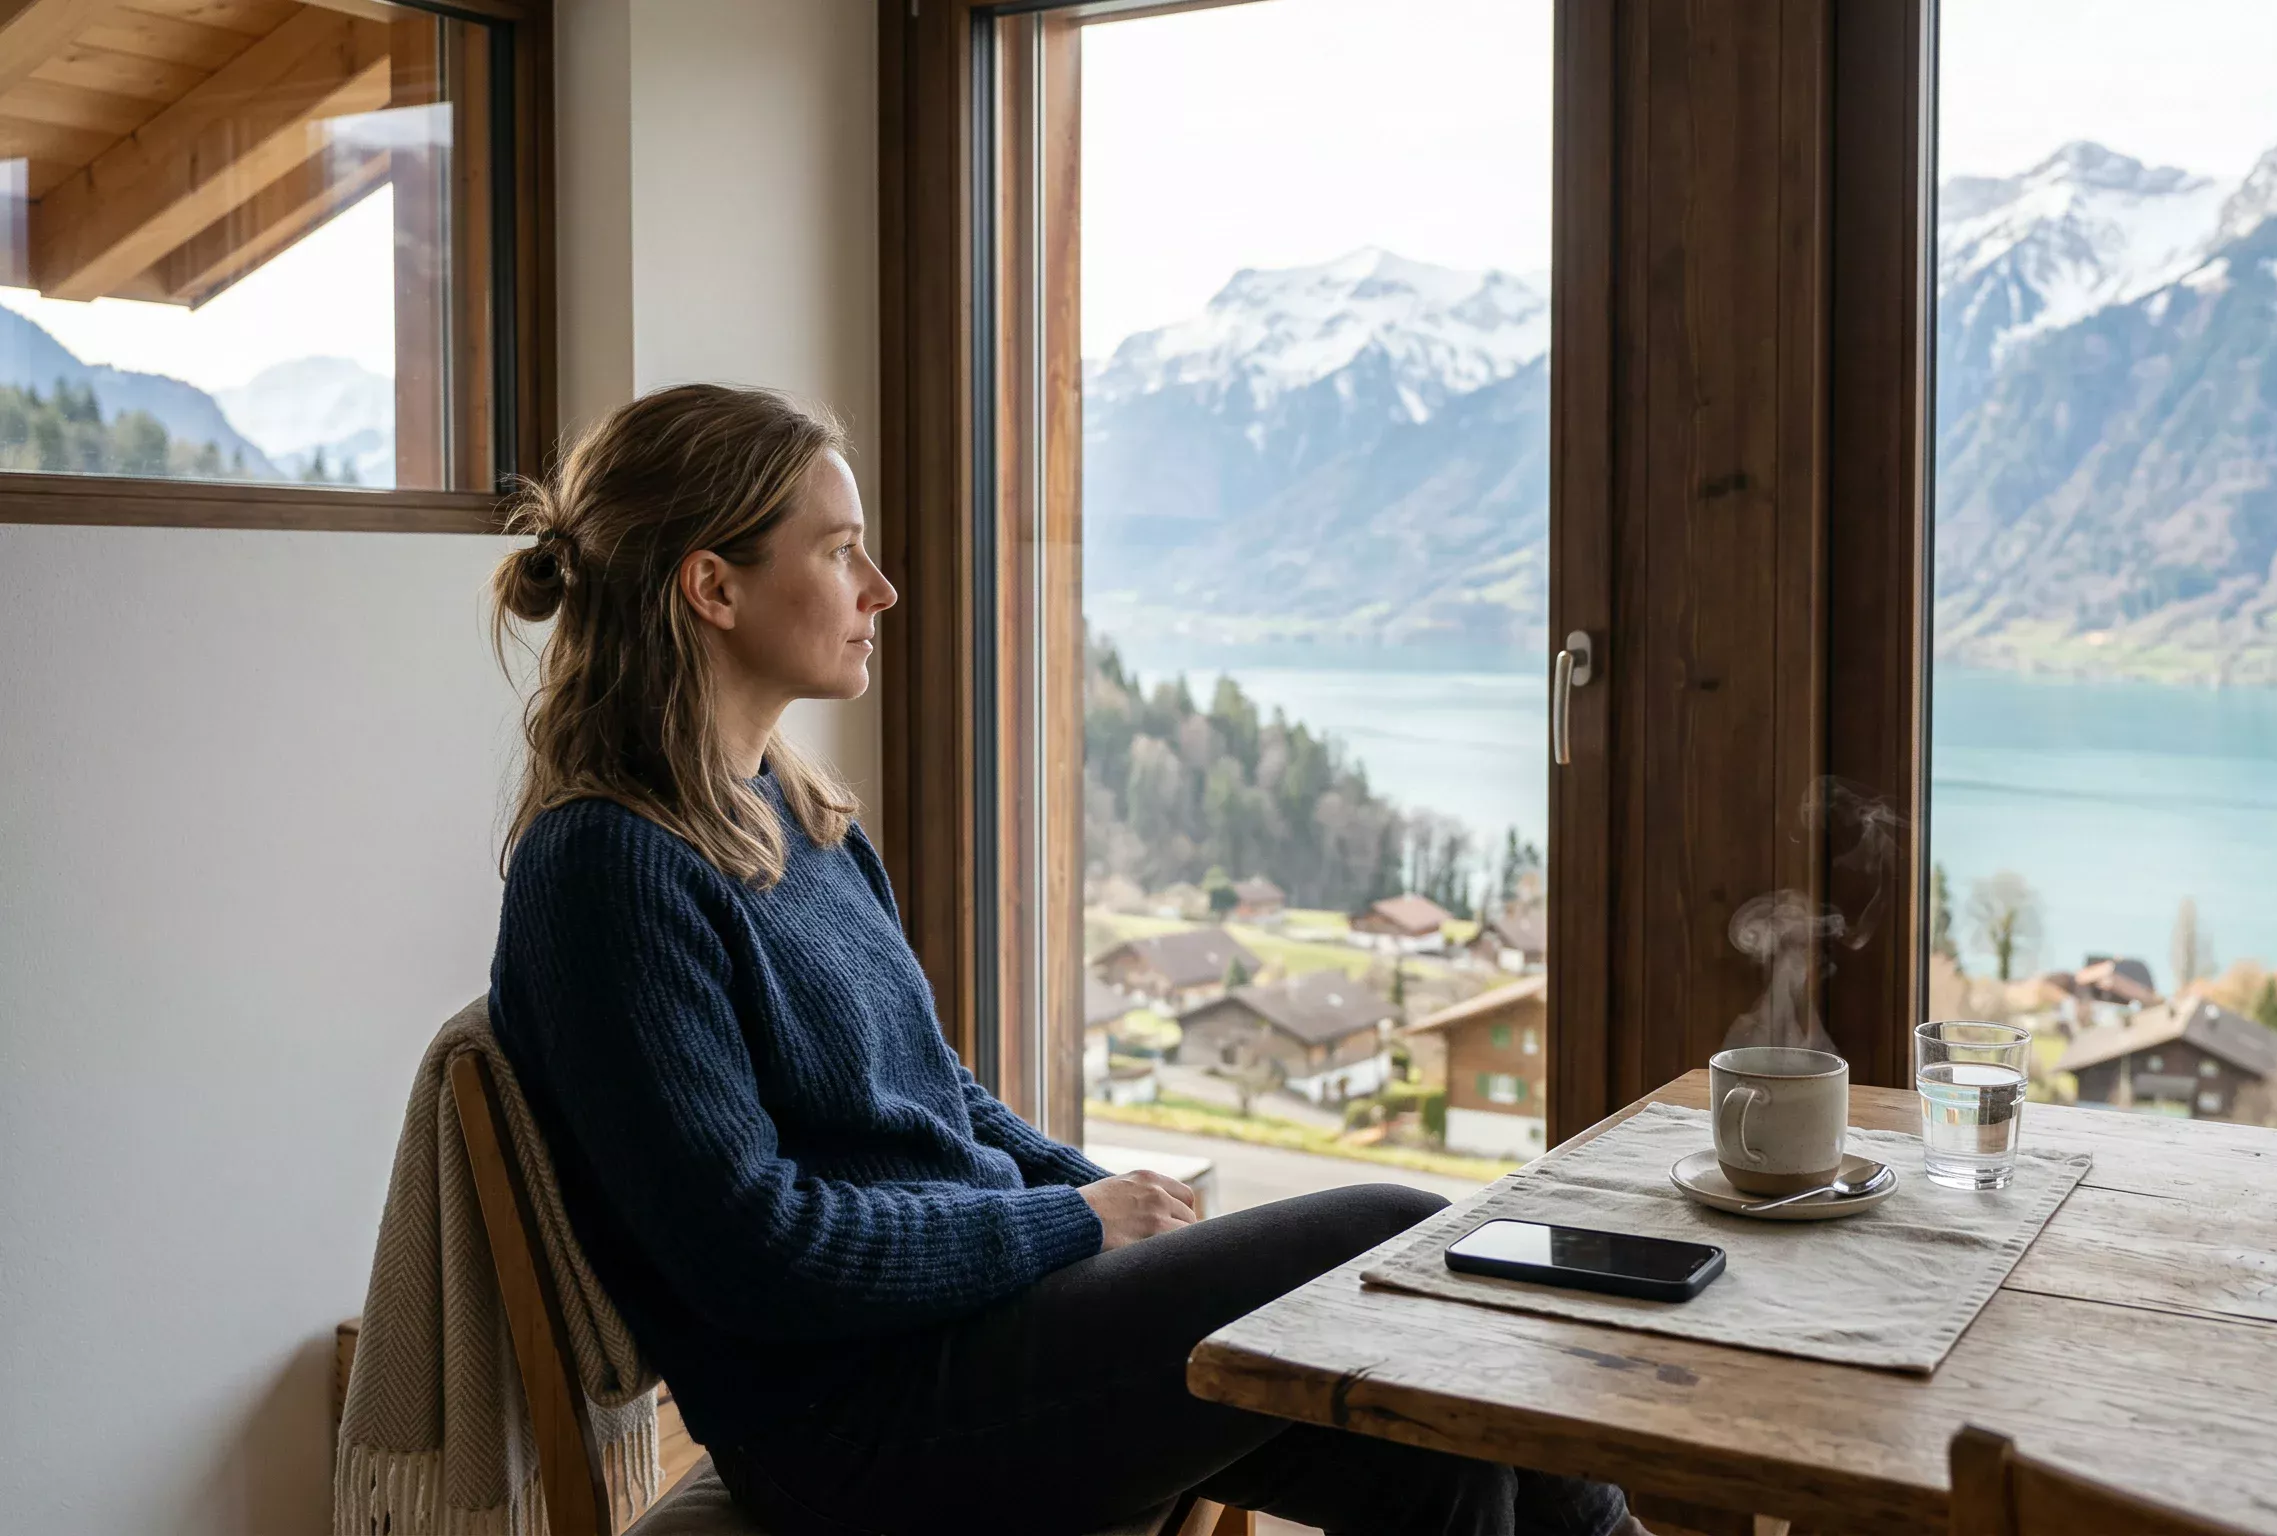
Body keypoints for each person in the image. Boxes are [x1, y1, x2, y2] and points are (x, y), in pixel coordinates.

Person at [484, 384, 1637, 1536]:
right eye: (839, 553)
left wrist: (1119, 1204)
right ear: (712, 586)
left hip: (973, 1334)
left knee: (1430, 1463)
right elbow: (761, 1253)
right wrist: (1082, 1225)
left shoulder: (795, 807)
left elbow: (940, 1101)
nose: (881, 588)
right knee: (1385, 1226)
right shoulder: (606, 871)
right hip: (852, 1429)